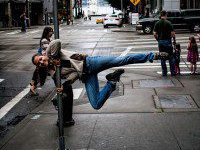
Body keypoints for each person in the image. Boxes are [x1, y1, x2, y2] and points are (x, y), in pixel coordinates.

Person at [32, 39, 169, 110]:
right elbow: (73, 75)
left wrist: (52, 56)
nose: (42, 62)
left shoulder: (50, 53)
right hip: (86, 76)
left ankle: (153, 55)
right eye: (39, 63)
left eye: (41, 59)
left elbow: (57, 42)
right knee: (96, 104)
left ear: (42, 56)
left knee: (121, 60)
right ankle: (112, 81)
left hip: (91, 63)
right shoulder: (53, 73)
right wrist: (66, 83)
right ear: (39, 67)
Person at [30, 26, 54, 94]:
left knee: (39, 71)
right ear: (46, 32)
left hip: (44, 58)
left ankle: (33, 83)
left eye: (52, 31)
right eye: (50, 31)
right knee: (42, 72)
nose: (52, 33)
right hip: (44, 57)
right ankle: (33, 84)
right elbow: (47, 50)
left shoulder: (49, 39)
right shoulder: (44, 40)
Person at [153, 10, 176, 76]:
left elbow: (154, 34)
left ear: (160, 15)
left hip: (161, 42)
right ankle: (173, 72)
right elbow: (173, 34)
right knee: (171, 57)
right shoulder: (168, 23)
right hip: (168, 41)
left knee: (162, 57)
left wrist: (158, 40)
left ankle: (164, 72)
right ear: (165, 15)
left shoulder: (157, 23)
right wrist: (173, 41)